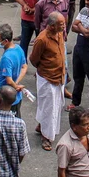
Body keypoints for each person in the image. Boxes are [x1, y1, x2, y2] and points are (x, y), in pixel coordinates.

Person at [30, 12, 67, 151]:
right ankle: (46, 136)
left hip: (59, 76)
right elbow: (34, 59)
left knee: (55, 106)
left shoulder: (59, 33)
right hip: (47, 78)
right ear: (51, 26)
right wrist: (45, 69)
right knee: (48, 108)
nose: (64, 26)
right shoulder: (42, 39)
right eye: (61, 24)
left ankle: (41, 125)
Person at [0, 23, 28, 116]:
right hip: (16, 97)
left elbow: (8, 80)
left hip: (7, 99)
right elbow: (24, 67)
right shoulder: (18, 48)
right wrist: (16, 83)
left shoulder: (7, 58)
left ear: (5, 41)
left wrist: (15, 86)